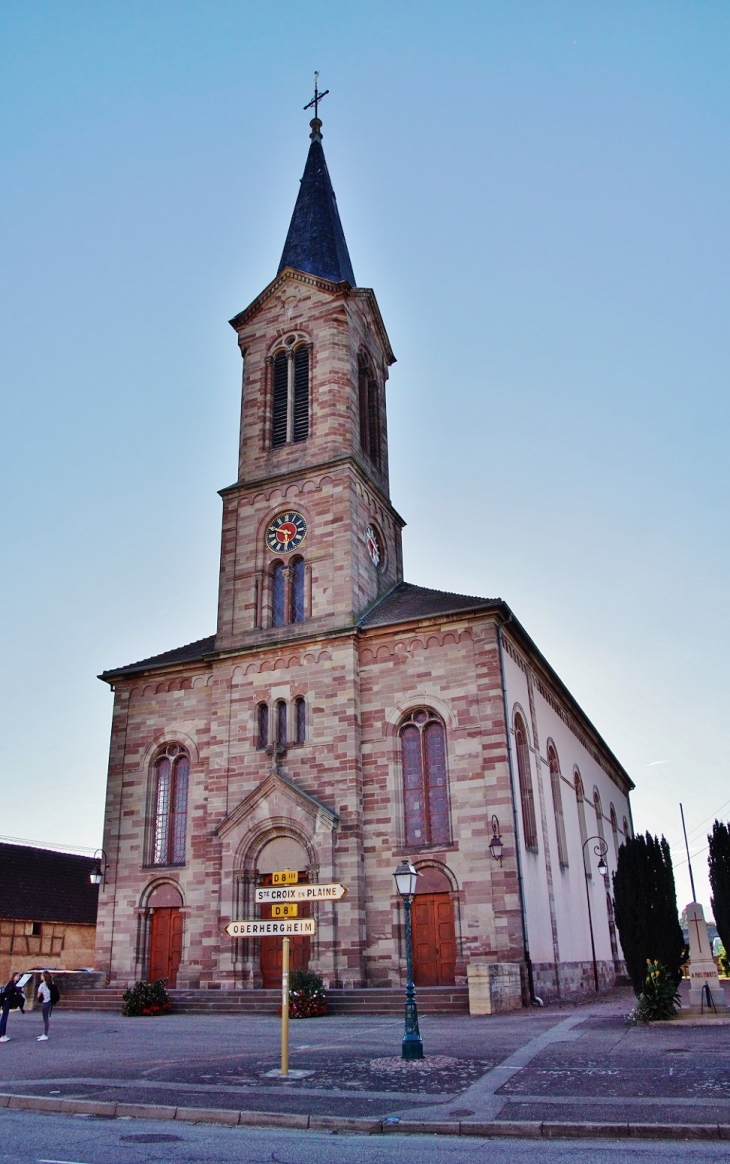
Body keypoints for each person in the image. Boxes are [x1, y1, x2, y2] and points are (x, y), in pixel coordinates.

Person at [0, 973, 23, 1041]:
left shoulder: (13, 983)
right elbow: (18, 989)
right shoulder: (11, 983)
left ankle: (3, 1034)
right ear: (13, 976)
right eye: (17, 976)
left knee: (5, 1018)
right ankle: (1, 1035)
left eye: (18, 976)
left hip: (7, 1002)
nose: (18, 977)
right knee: (4, 1018)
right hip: (6, 1002)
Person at [36, 971, 54, 1041]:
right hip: (49, 1001)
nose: (41, 976)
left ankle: (45, 1034)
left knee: (45, 1018)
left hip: (45, 1002)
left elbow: (38, 995)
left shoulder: (42, 985)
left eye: (42, 975)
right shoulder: (51, 984)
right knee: (46, 1018)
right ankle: (45, 1033)